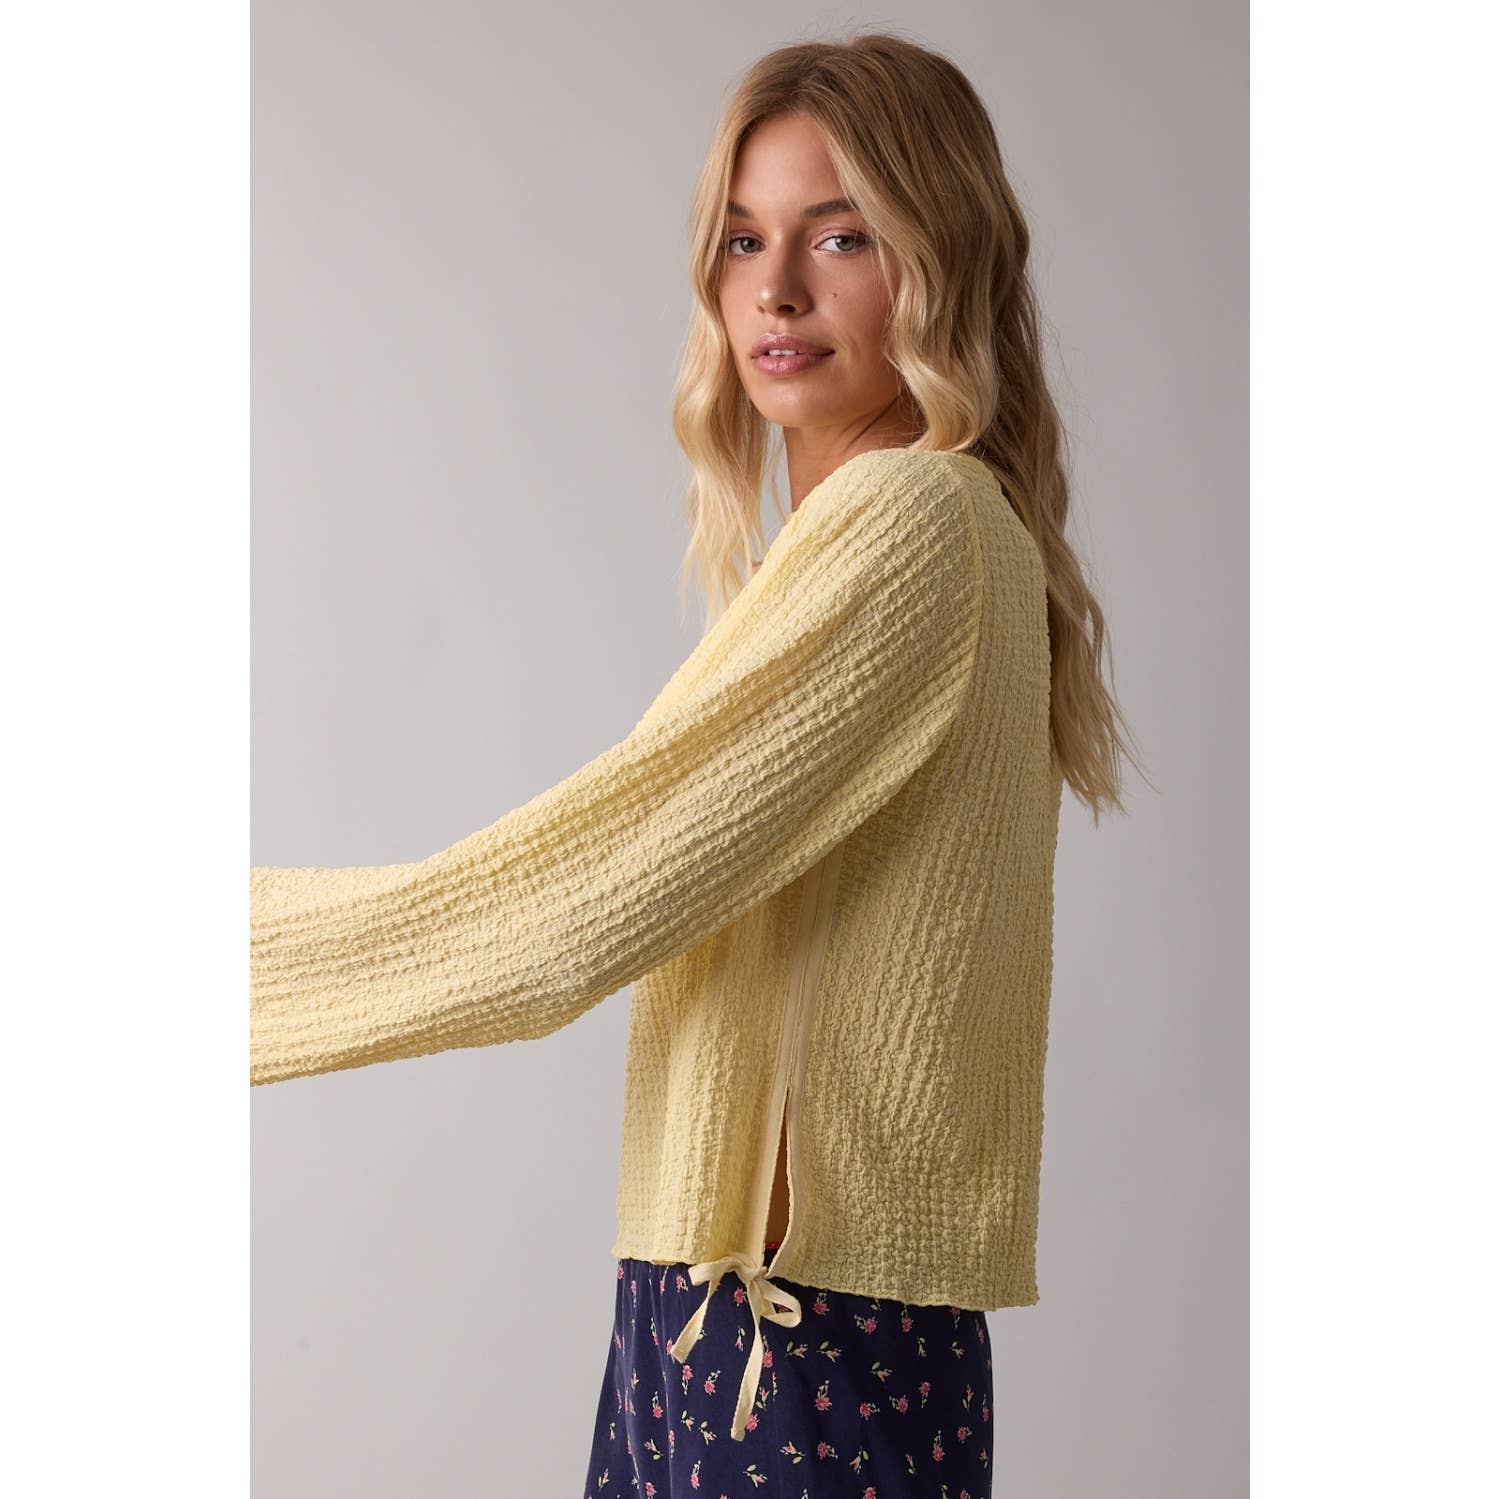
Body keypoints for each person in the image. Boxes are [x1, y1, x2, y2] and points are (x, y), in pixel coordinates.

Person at [250, 28, 1142, 1495]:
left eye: (840, 235)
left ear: (940, 258)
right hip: (725, 1315)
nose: (774, 290)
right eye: (741, 239)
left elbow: (573, 906)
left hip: (797, 1338)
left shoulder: (914, 527)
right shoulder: (879, 541)